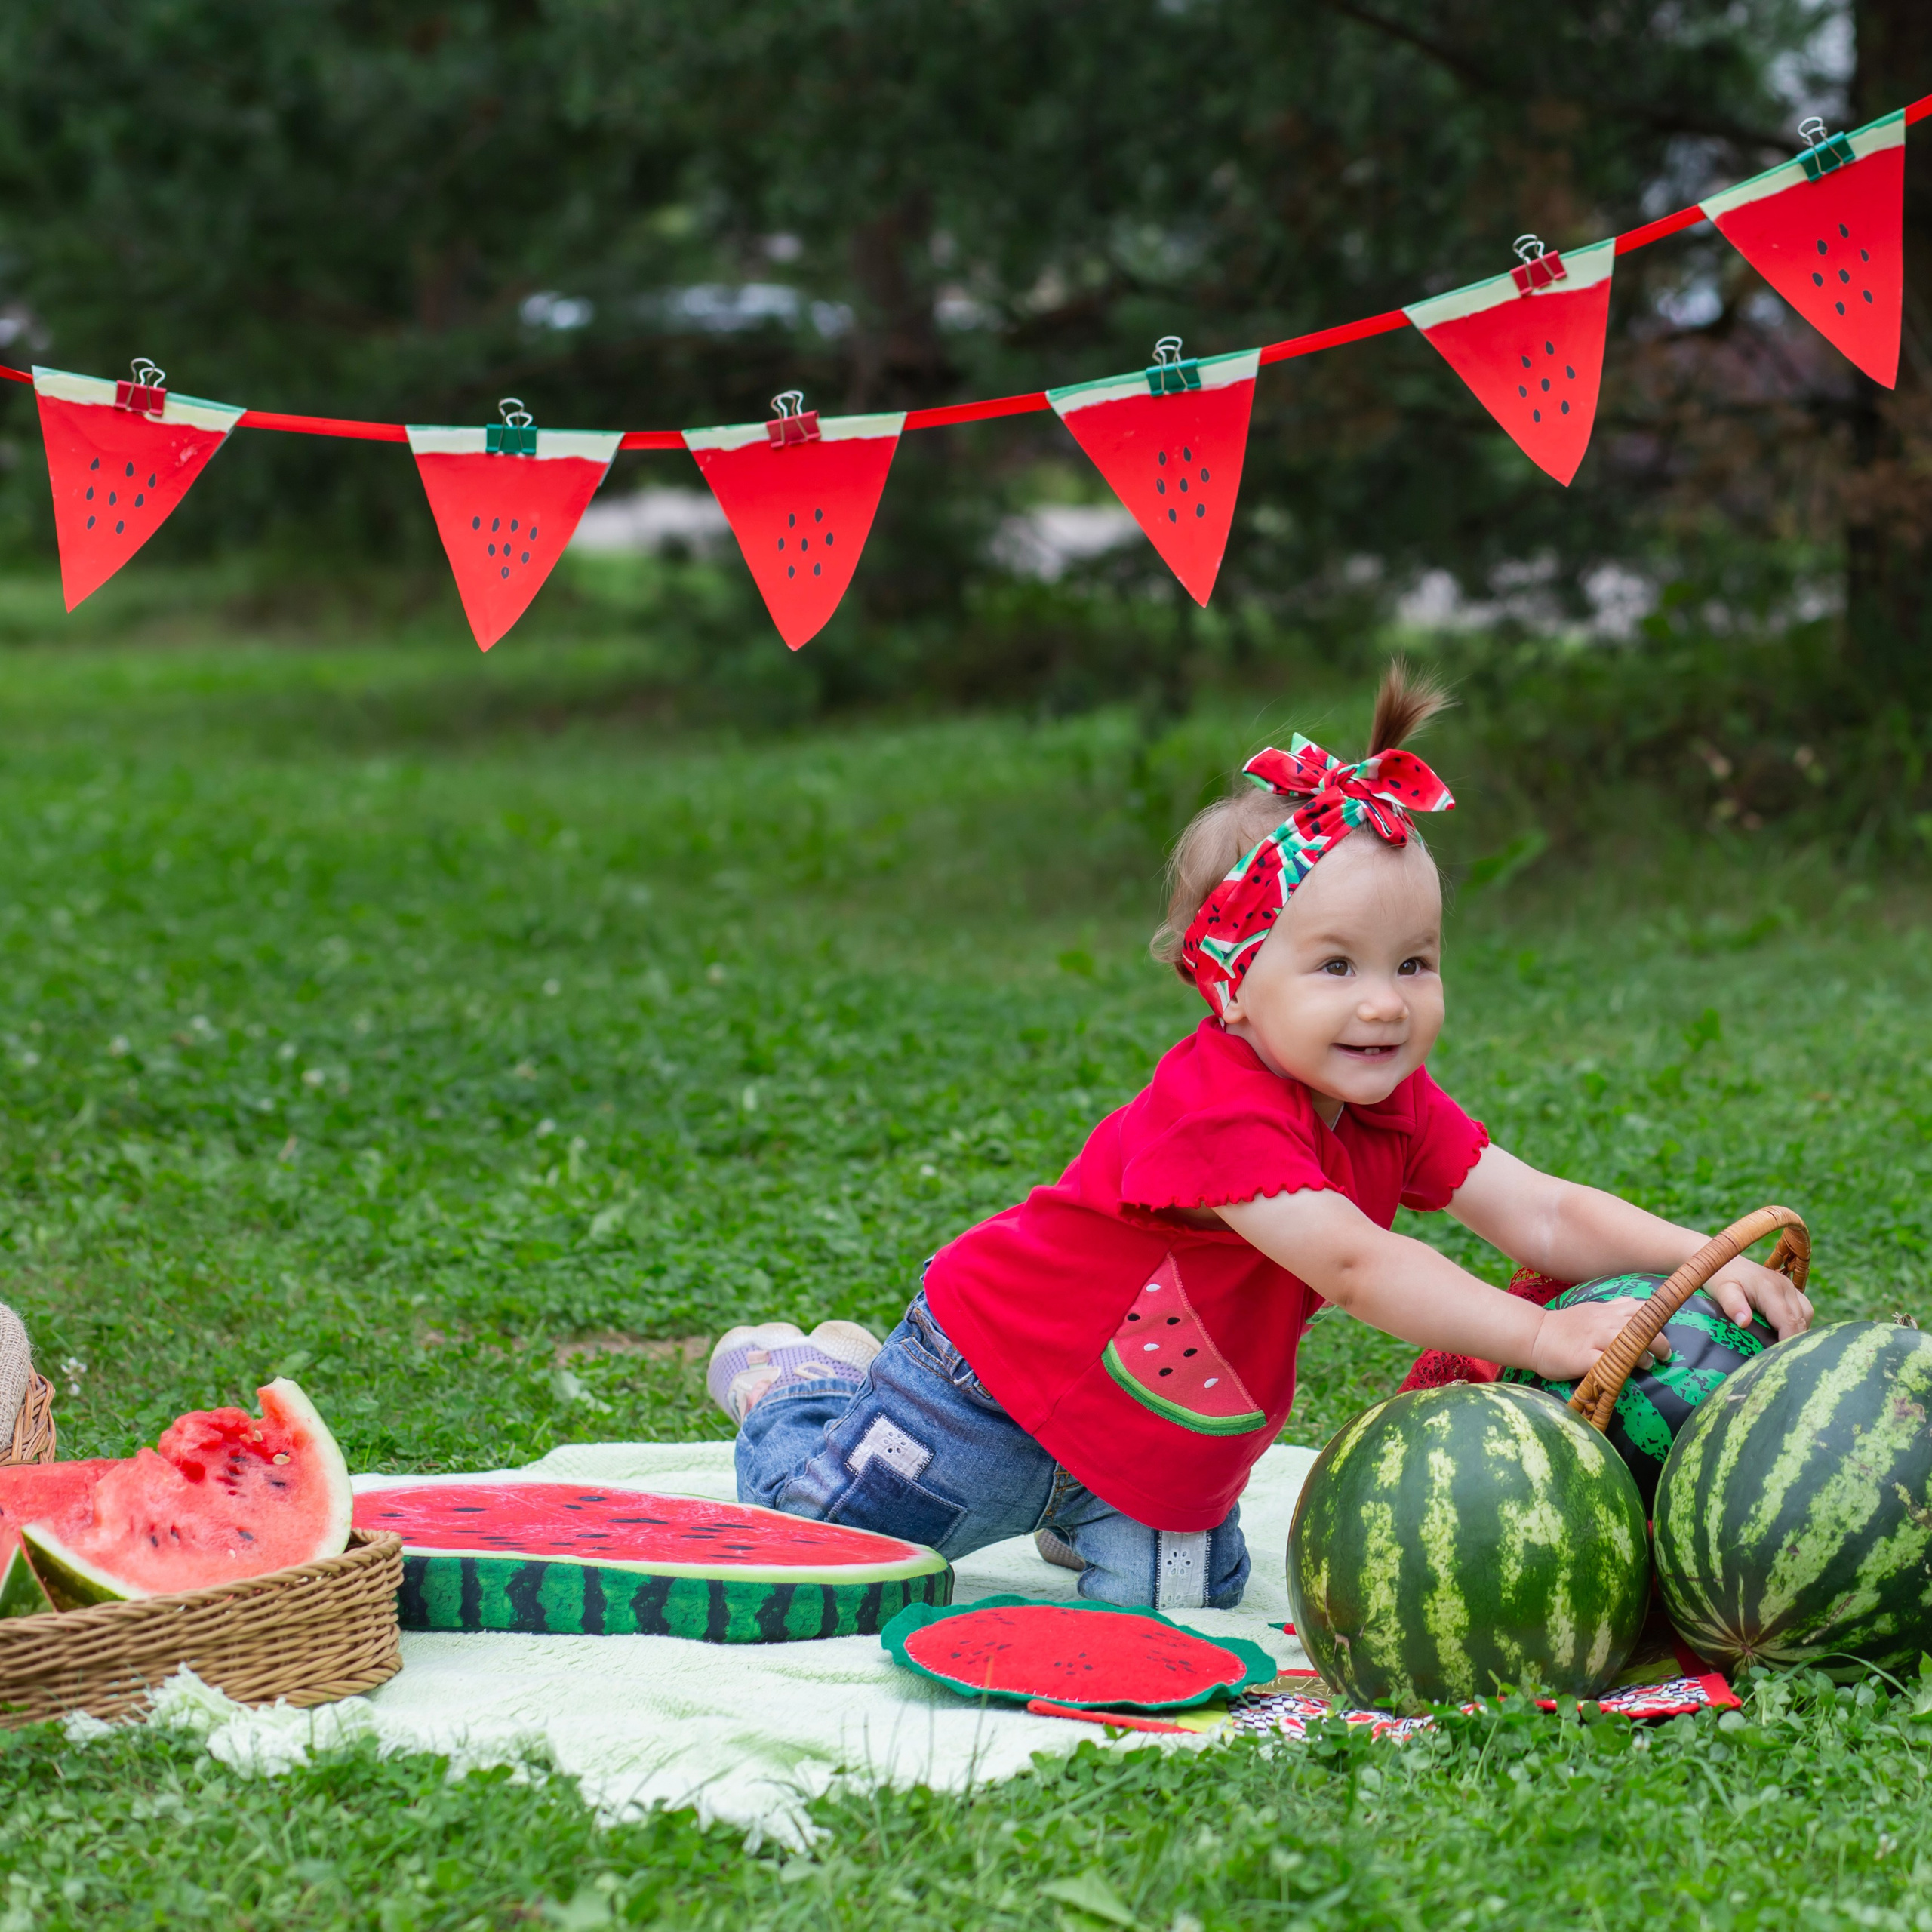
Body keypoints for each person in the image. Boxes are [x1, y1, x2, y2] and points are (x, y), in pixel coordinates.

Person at [706, 666, 1813, 1611]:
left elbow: (1541, 1210)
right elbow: (1355, 1264)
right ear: (1231, 983)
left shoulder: (1389, 1104)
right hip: (983, 1388)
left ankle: (1082, 1518)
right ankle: (796, 1381)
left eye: (1413, 963)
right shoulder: (1216, 1108)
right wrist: (1553, 1342)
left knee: (1187, 1608)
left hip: (1154, 1449)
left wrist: (1691, 1258)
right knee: (830, 1562)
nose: (1384, 1003)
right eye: (1336, 966)